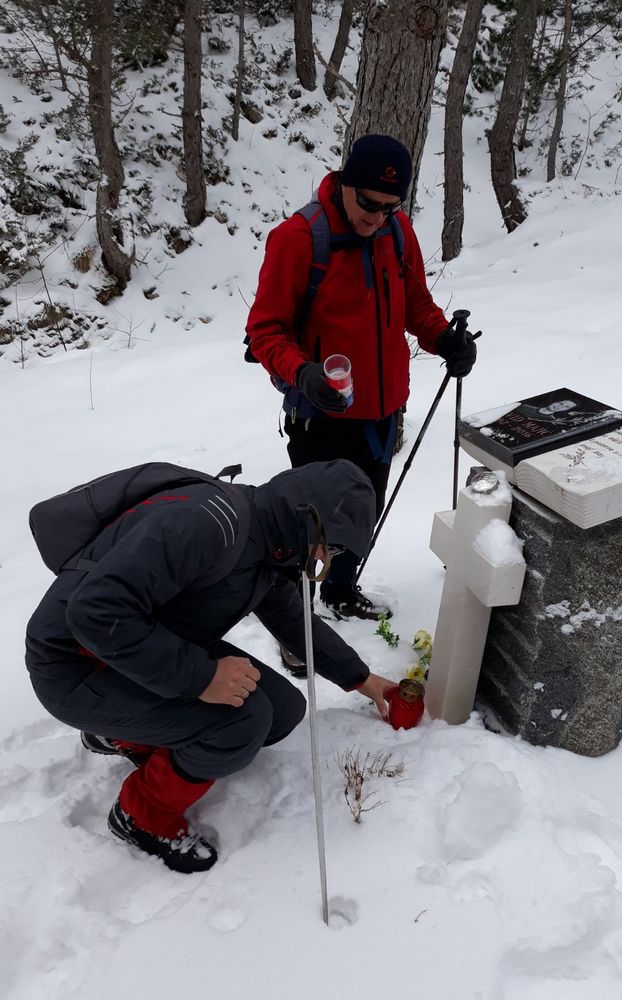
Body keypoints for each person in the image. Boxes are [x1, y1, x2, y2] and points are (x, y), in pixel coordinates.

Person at [25, 460, 395, 874]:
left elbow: (294, 621)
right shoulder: (210, 526)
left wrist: (363, 679)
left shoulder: (269, 547)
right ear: (310, 521)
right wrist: (201, 677)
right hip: (76, 664)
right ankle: (140, 814)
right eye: (335, 546)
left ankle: (123, 731)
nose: (330, 559)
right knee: (242, 722)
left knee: (283, 710)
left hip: (133, 651)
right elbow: (94, 612)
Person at [245, 133, 478, 627]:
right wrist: (301, 372)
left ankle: (341, 590)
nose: (376, 217)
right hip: (321, 414)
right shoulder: (299, 238)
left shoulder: (397, 234)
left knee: (360, 514)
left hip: (382, 411)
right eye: (369, 203)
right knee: (310, 527)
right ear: (345, 182)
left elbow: (417, 305)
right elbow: (264, 329)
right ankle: (295, 624)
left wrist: (445, 340)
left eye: (390, 208)